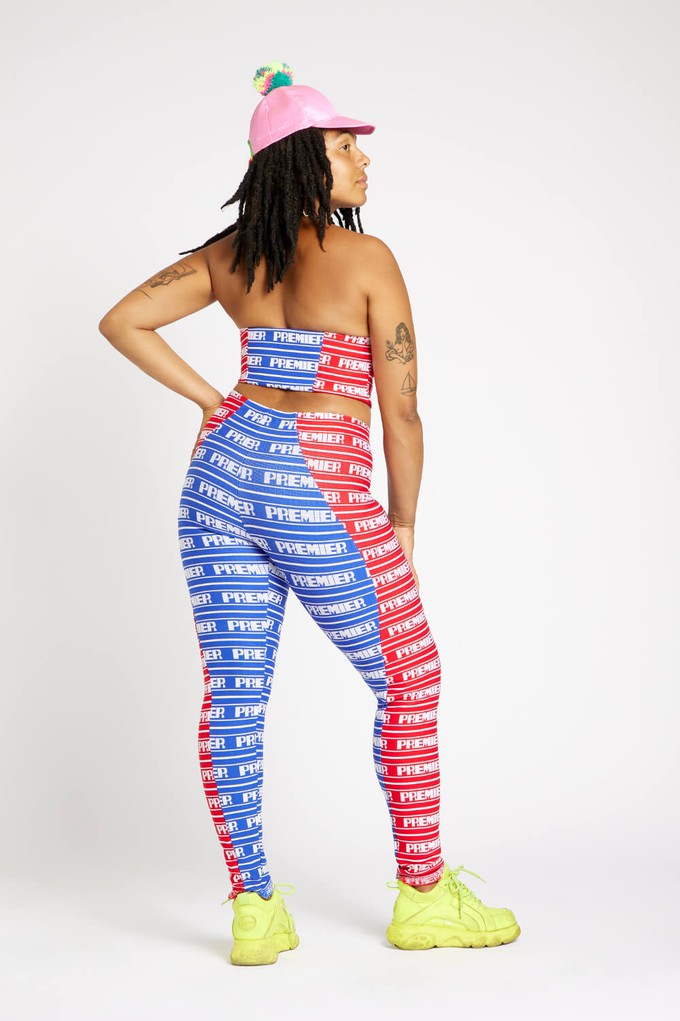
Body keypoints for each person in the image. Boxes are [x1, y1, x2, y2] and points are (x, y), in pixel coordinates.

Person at [98, 61, 521, 966]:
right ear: (298, 159)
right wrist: (402, 524)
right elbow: (402, 412)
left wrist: (212, 402)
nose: (364, 160)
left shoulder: (227, 256)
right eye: (343, 146)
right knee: (412, 675)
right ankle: (423, 896)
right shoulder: (366, 258)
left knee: (234, 697)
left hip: (219, 479)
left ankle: (253, 908)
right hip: (315, 484)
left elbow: (123, 319)